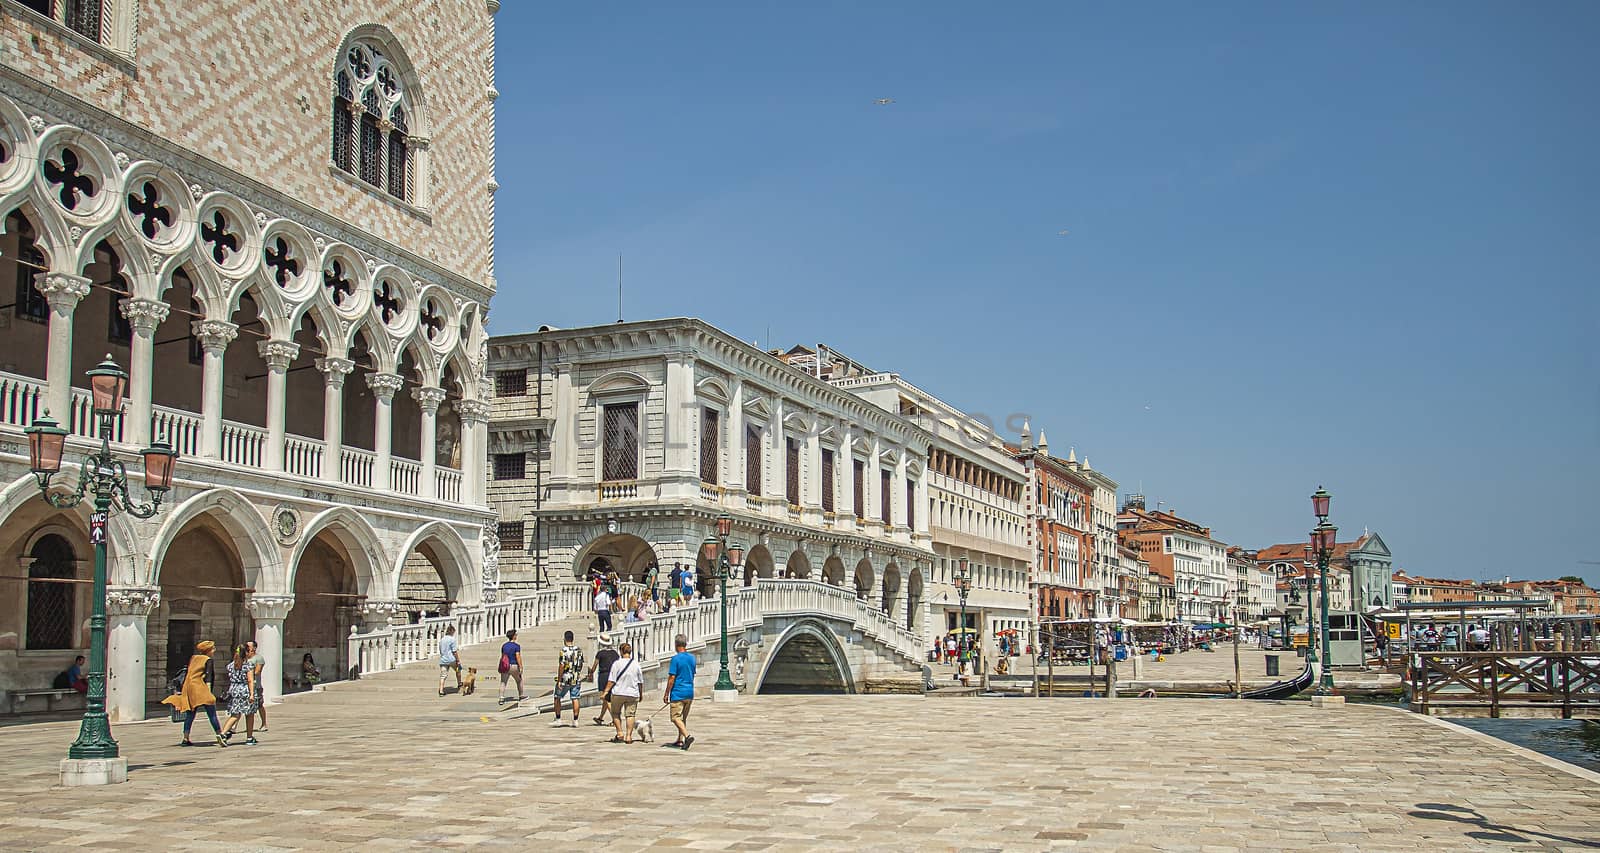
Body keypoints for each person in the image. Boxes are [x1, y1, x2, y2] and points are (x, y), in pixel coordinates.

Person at [162, 640, 227, 748]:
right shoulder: (208, 660)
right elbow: (208, 677)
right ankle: (219, 734)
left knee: (190, 714)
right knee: (211, 713)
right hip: (200, 687)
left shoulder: (194, 658)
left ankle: (185, 738)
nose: (214, 650)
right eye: (213, 648)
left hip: (189, 688)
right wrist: (209, 693)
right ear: (208, 650)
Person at [220, 644, 260, 745]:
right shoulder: (248, 665)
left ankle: (223, 733)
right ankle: (249, 737)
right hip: (245, 689)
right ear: (246, 653)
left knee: (235, 713)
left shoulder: (231, 665)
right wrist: (251, 694)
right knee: (249, 714)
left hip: (234, 689)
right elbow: (250, 680)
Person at [605, 642, 643, 744]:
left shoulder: (617, 664)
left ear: (621, 651)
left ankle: (620, 732)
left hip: (618, 692)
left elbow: (611, 680)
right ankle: (629, 736)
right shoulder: (636, 664)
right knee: (630, 715)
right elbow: (640, 682)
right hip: (632, 693)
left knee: (615, 713)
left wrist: (605, 692)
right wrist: (641, 693)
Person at [663, 633, 696, 750]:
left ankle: (687, 736)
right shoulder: (692, 658)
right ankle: (680, 740)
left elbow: (672, 677)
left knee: (675, 717)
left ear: (676, 645)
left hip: (678, 692)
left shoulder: (675, 659)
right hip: (689, 691)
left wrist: (667, 693)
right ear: (685, 644)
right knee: (683, 718)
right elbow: (693, 674)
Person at [551, 630, 584, 727]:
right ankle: (575, 720)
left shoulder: (563, 651)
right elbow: (581, 663)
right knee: (575, 698)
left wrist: (559, 680)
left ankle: (558, 718)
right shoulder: (579, 650)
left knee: (557, 697)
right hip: (576, 677)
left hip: (565, 677)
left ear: (565, 639)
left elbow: (561, 665)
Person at [586, 642, 620, 726]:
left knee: (606, 698)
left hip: (603, 676)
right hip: (613, 676)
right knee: (607, 699)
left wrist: (590, 673)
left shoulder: (600, 653)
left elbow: (595, 665)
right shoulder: (615, 653)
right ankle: (600, 718)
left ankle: (615, 719)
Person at [498, 628, 527, 705]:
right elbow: (518, 656)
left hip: (505, 666)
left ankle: (501, 698)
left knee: (503, 682)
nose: (516, 636)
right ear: (514, 636)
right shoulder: (516, 646)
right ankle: (521, 696)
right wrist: (521, 666)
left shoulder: (504, 646)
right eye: (516, 635)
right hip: (514, 666)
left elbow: (503, 656)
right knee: (519, 680)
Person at [245, 640, 268, 732]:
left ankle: (264, 723)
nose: (247, 647)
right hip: (245, 685)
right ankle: (233, 727)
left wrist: (247, 673)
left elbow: (257, 671)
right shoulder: (244, 658)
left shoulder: (259, 658)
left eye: (249, 646)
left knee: (259, 705)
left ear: (254, 648)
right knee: (242, 705)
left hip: (256, 685)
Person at [438, 624, 462, 696]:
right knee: (458, 670)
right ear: (452, 632)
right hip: (451, 659)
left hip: (443, 659)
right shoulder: (452, 639)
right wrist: (458, 660)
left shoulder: (442, 640)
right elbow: (454, 651)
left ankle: (441, 690)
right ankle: (459, 684)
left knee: (443, 676)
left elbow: (440, 650)